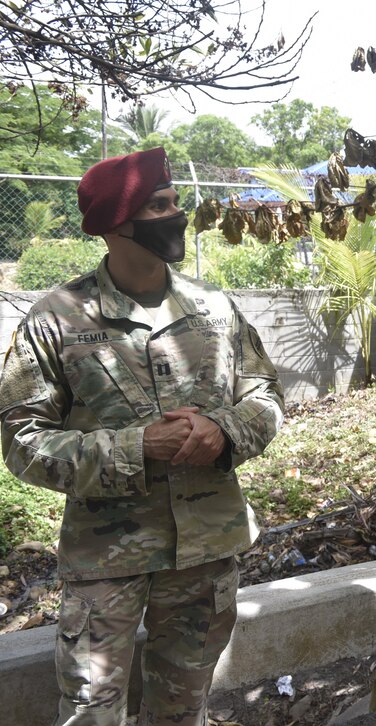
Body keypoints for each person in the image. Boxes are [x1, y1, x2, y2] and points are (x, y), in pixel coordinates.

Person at [0, 147, 285, 725]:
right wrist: (136, 449)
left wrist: (223, 428)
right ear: (115, 224)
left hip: (205, 552)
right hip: (107, 558)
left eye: (175, 201)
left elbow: (266, 395)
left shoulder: (215, 308)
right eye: (159, 206)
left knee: (183, 708)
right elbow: (22, 440)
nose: (176, 214)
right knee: (91, 713)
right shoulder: (57, 320)